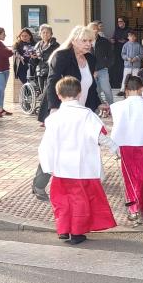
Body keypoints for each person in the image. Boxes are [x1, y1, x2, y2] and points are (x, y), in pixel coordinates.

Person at [38, 76, 118, 245]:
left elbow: (46, 145)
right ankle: (77, 231)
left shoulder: (53, 118)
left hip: (60, 168)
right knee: (80, 200)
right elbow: (100, 136)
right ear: (80, 93)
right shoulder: (87, 115)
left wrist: (47, 165)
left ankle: (63, 229)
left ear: (58, 95)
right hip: (83, 168)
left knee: (61, 200)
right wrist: (115, 148)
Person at [32, 25, 106, 202]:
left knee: (84, 145)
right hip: (62, 109)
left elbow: (91, 86)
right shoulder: (62, 56)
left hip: (82, 110)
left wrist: (99, 103)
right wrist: (54, 108)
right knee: (55, 146)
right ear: (74, 40)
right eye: (84, 40)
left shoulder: (90, 59)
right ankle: (39, 184)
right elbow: (52, 83)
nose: (88, 44)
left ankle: (87, 179)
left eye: (90, 41)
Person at [110, 76, 143, 226]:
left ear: (126, 89)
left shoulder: (117, 106)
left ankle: (133, 208)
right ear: (141, 88)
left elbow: (116, 127)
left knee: (129, 177)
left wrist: (114, 146)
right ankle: (140, 206)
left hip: (125, 145)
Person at [35, 25, 60, 124]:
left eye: (47, 32)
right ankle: (45, 117)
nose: (45, 34)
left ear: (51, 34)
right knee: (43, 94)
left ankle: (47, 118)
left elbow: (56, 58)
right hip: (40, 71)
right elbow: (34, 61)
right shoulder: (38, 45)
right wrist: (33, 58)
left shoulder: (55, 45)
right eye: (43, 32)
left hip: (50, 71)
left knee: (49, 94)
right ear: (40, 34)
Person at [87, 21, 114, 106]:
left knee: (106, 89)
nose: (95, 31)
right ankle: (102, 106)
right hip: (90, 71)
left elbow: (111, 55)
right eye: (93, 29)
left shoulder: (104, 41)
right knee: (96, 91)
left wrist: (106, 65)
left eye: (96, 29)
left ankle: (111, 106)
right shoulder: (85, 42)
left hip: (102, 69)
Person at [110, 16, 130, 89]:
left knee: (124, 66)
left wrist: (125, 41)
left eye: (120, 21)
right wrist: (112, 40)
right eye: (118, 21)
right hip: (117, 50)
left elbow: (132, 39)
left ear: (124, 22)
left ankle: (125, 83)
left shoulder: (129, 30)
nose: (119, 23)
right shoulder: (117, 29)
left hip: (126, 51)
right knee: (117, 66)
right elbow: (113, 37)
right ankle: (117, 83)